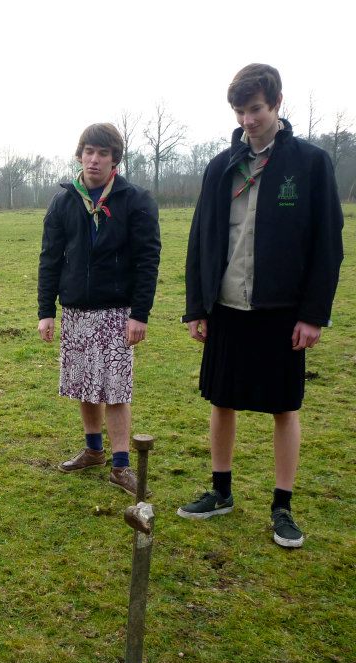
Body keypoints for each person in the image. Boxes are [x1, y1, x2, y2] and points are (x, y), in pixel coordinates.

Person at [178, 63, 343, 548]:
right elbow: (201, 240)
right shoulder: (221, 166)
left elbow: (326, 244)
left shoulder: (310, 164)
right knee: (221, 399)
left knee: (283, 407)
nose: (248, 120)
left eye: (256, 109)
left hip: (281, 312)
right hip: (227, 306)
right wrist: (197, 307)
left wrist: (313, 314)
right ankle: (220, 490)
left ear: (276, 104)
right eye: (239, 110)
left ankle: (282, 506)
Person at [37, 123, 161, 496]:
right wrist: (47, 310)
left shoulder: (135, 200)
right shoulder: (63, 201)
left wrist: (140, 313)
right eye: (89, 151)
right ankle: (93, 451)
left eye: (103, 153)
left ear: (114, 160)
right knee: (84, 386)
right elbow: (50, 259)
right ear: (80, 155)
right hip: (75, 309)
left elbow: (147, 259)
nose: (94, 159)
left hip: (117, 312)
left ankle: (121, 465)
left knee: (115, 390)